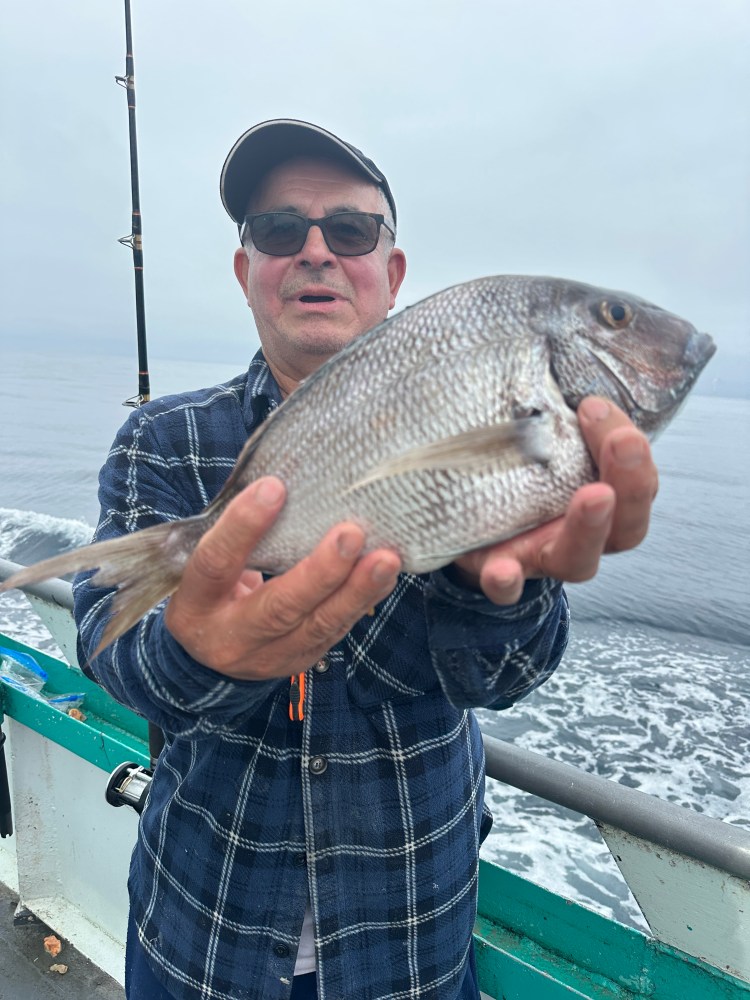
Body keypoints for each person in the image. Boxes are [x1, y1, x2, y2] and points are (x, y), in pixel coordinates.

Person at [74, 119, 658, 1000]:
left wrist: (492, 590)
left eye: (349, 231)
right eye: (280, 230)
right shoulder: (166, 438)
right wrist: (192, 651)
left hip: (411, 943)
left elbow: (503, 676)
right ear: (248, 272)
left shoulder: (484, 433)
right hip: (200, 928)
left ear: (391, 275)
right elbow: (111, 653)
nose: (315, 252)